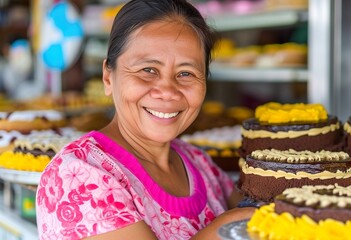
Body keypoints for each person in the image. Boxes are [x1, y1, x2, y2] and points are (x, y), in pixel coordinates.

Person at [35, 0, 255, 239]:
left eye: (186, 73)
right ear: (108, 77)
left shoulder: (197, 162)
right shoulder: (77, 176)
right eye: (148, 70)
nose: (168, 91)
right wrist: (227, 223)